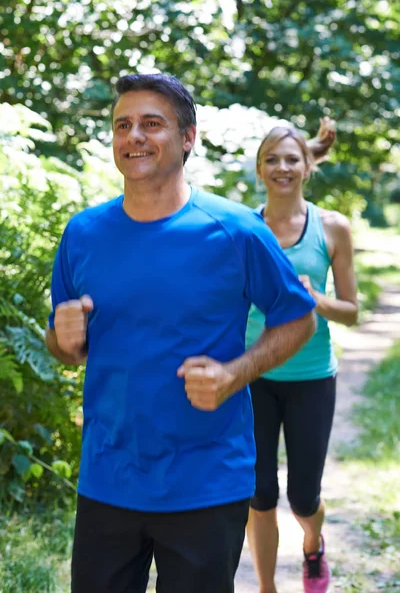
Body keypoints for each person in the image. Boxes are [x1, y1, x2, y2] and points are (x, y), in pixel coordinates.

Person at [45, 73, 317, 593]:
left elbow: (299, 316)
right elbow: (64, 349)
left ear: (188, 137)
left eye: (152, 124)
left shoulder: (235, 230)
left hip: (206, 483)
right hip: (108, 477)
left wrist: (236, 373)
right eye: (123, 125)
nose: (134, 136)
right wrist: (62, 338)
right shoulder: (82, 233)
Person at [246, 121, 358, 593]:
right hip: (253, 373)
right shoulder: (245, 227)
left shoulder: (332, 227)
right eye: (272, 159)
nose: (282, 168)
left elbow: (351, 311)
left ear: (307, 167)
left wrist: (314, 298)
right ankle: (268, 587)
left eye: (291, 159)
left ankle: (313, 543)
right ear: (259, 169)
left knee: (303, 496)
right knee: (260, 493)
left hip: (312, 376)